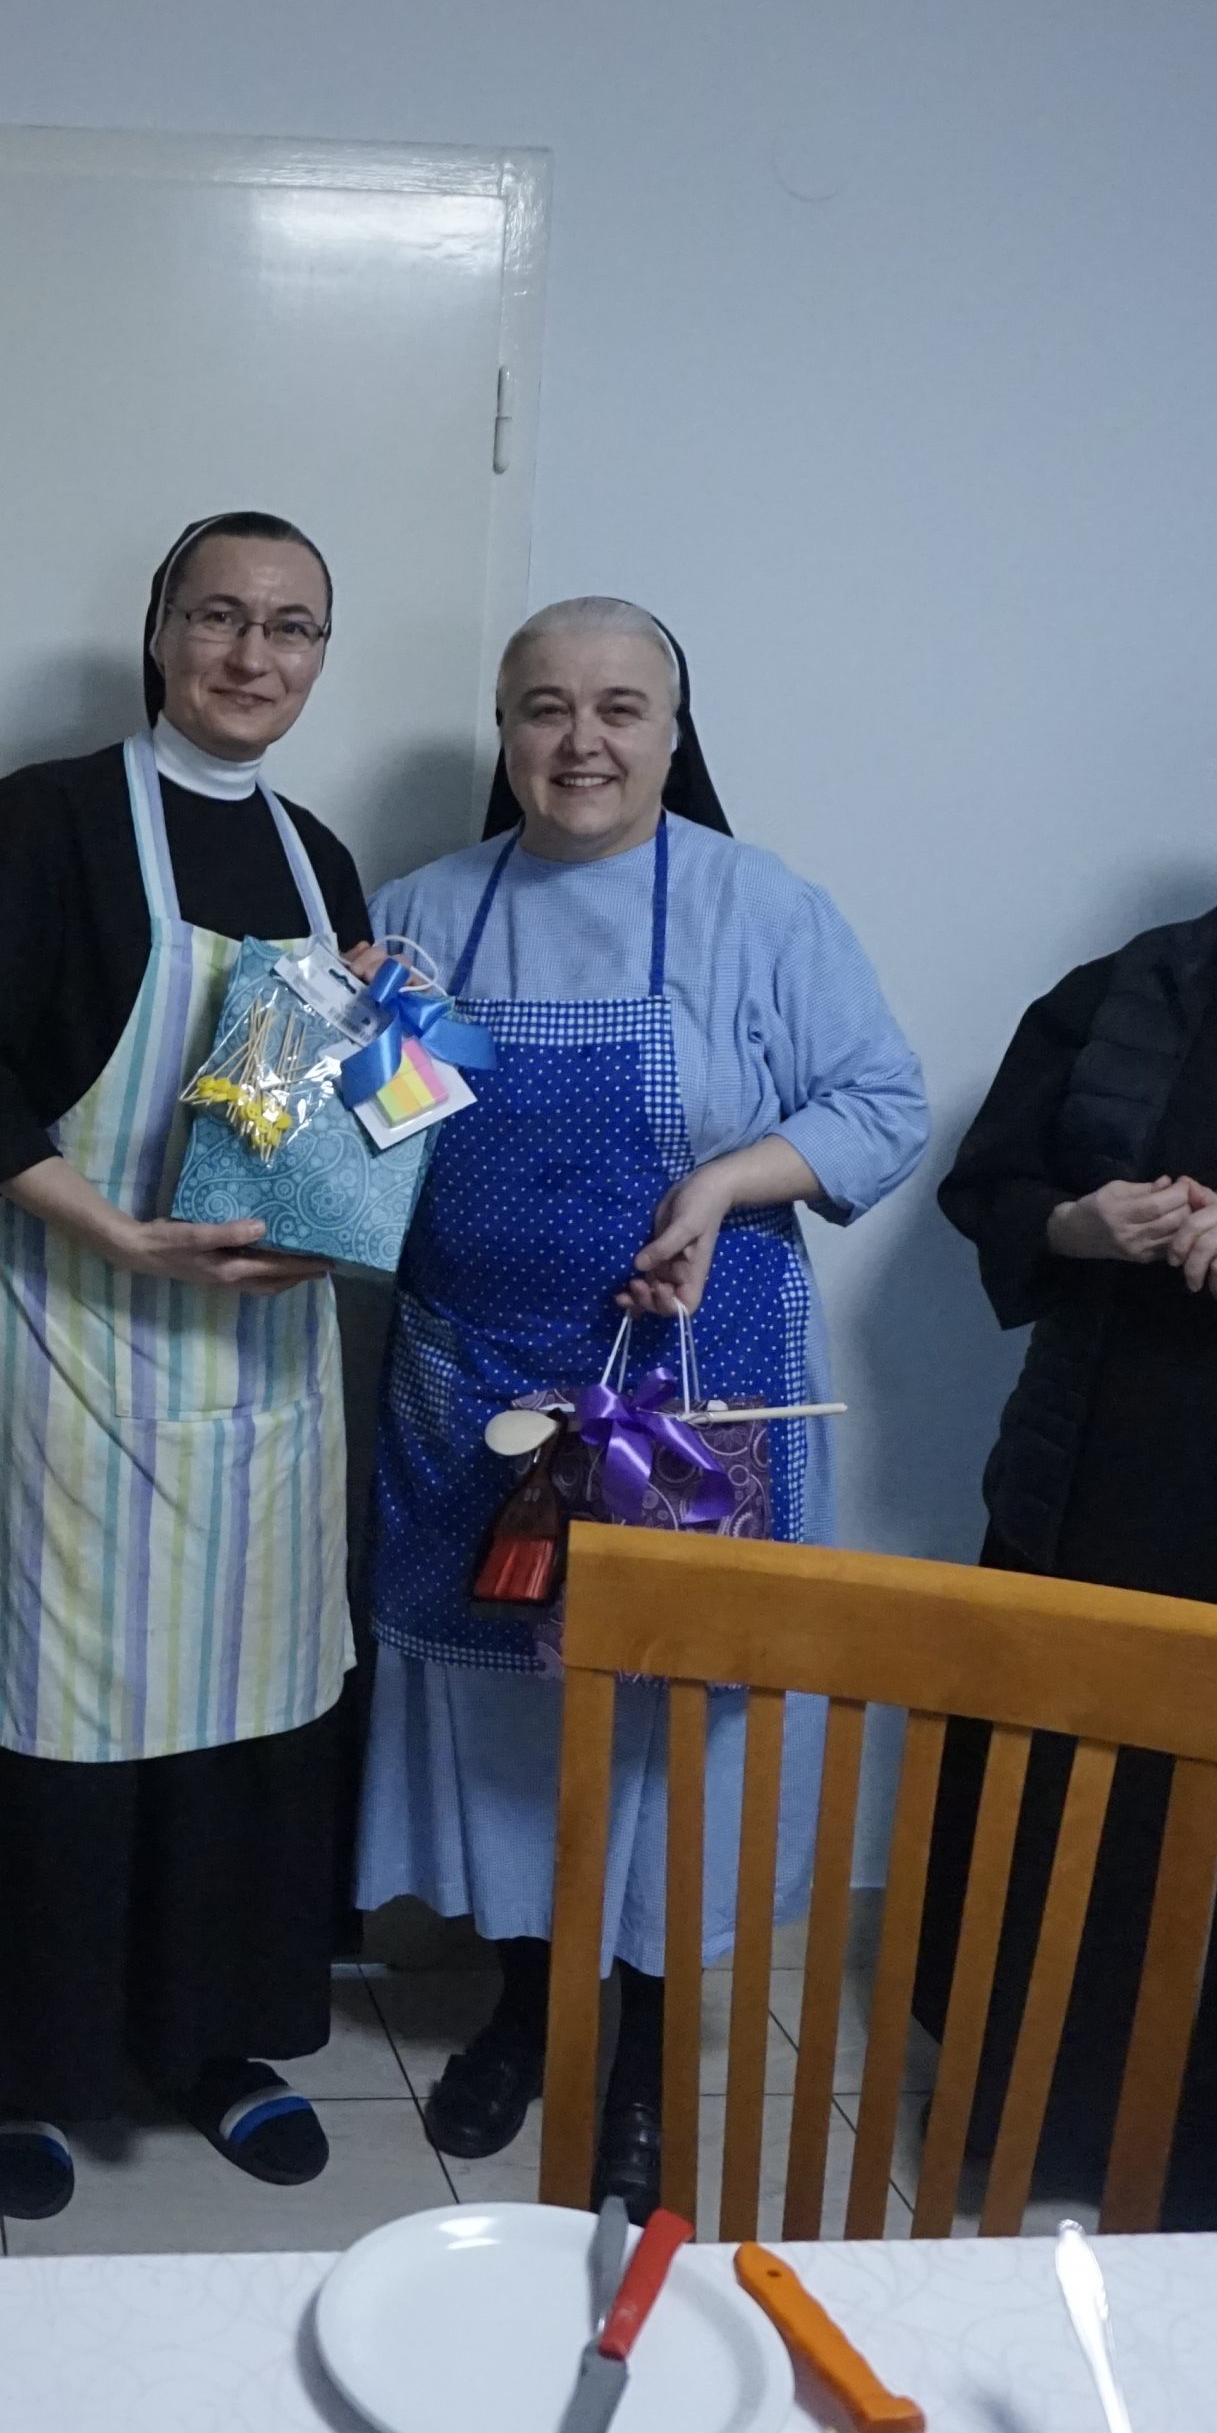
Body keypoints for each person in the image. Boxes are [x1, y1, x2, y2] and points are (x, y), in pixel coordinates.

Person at [0, 513, 376, 2220]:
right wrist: (119, 1235)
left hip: (262, 1356)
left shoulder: (321, 863)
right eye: (219, 615)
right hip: (67, 1333)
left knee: (247, 1713)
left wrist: (325, 1217)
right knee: (56, 1712)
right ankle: (32, 2064)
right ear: (159, 630)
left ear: (319, 657)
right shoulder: (44, 822)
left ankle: (217, 2041)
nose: (252, 654)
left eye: (291, 627)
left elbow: (324, 1117)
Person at [359, 597, 928, 2215]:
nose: (582, 741)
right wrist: (335, 1044)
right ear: (504, 731)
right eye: (544, 707)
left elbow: (883, 1104)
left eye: (620, 708)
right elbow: (377, 1141)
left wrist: (728, 1180)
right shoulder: (426, 913)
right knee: (516, 1726)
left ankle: (652, 2061)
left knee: (682, 1729)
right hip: (478, 1398)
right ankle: (529, 2013)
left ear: (676, 734)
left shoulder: (761, 907)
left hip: (695, 1398)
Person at [928, 698, 1217, 2228]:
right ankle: (1048, 2135)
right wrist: (1080, 1225)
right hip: (1104, 1487)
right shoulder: (1131, 985)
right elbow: (990, 1184)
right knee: (1074, 1814)